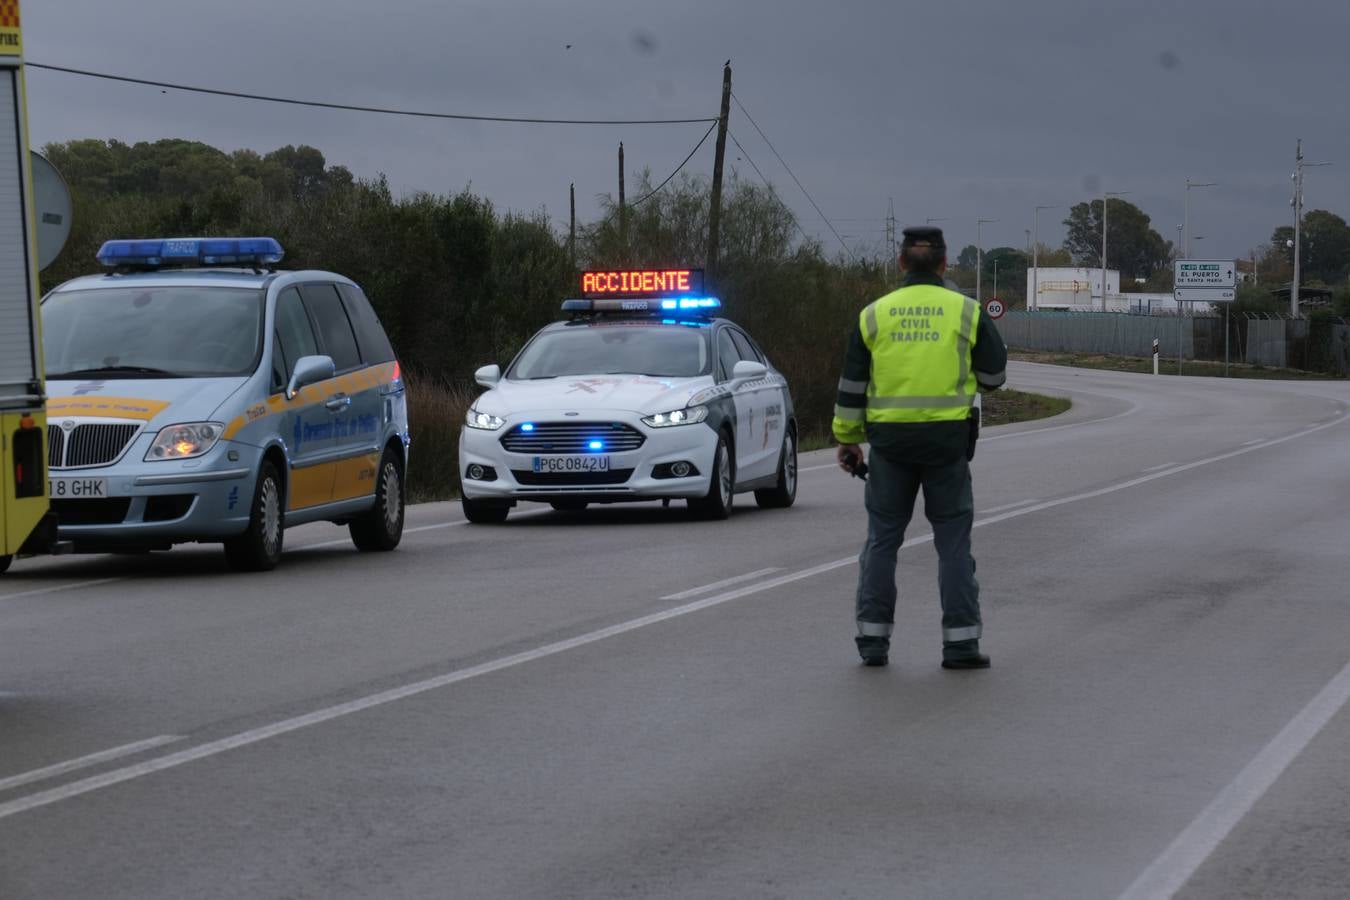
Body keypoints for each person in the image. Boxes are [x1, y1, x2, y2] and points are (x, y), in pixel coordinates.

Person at [832, 226, 1007, 669]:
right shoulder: (966, 312)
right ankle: (961, 645)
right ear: (945, 265)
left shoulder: (874, 314)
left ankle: (873, 642)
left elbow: (852, 386)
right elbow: (994, 376)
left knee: (882, 542)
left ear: (901, 264)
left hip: (890, 445)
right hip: (947, 445)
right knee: (952, 544)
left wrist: (849, 440)